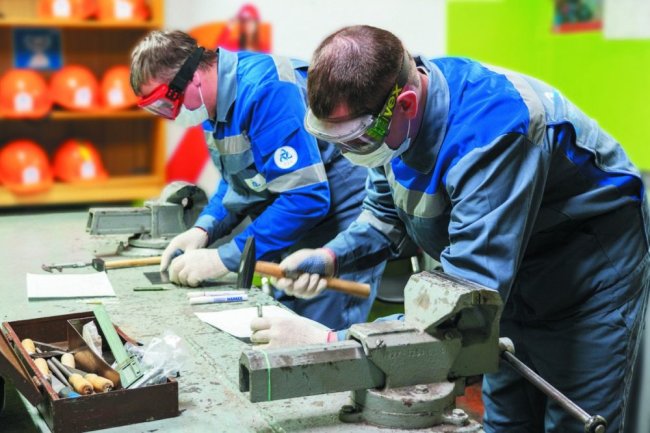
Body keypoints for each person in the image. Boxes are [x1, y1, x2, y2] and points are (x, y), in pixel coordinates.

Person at [252, 25, 650, 433]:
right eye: (332, 140)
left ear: (406, 104)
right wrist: (330, 257)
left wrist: (329, 344)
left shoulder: (493, 131)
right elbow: (384, 216)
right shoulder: (391, 126)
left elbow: (463, 300)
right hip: (509, 276)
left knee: (571, 423)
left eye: (354, 140)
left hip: (585, 282)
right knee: (508, 420)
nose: (346, 153)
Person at [129, 30, 385, 330]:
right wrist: (203, 229)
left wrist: (224, 258)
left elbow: (306, 197)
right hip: (294, 221)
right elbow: (239, 181)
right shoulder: (211, 106)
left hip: (338, 219)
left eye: (165, 103)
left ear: (193, 77)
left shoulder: (266, 90)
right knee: (283, 322)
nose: (169, 116)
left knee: (318, 338)